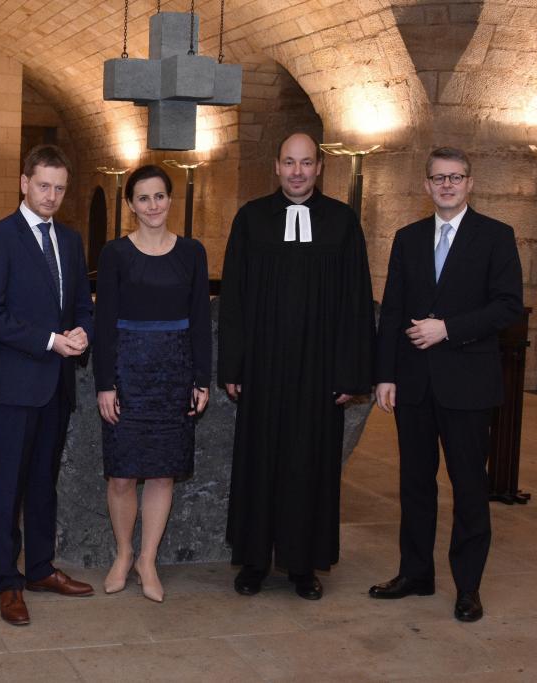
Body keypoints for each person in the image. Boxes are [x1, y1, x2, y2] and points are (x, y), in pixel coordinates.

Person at [218, 132, 375, 600]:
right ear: (277, 166)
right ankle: (253, 562)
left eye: (306, 163)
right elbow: (235, 300)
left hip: (319, 372)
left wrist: (351, 373)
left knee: (310, 466)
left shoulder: (342, 223)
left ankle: (304, 566)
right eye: (289, 162)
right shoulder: (251, 220)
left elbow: (355, 302)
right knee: (258, 463)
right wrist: (233, 364)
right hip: (262, 370)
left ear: (320, 168)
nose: (297, 172)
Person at [369, 147, 523, 622]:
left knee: (469, 487)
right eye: (439, 178)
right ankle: (416, 572)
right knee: (415, 483)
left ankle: (468, 587)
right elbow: (392, 309)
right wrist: (385, 374)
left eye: (456, 177)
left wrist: (448, 328)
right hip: (413, 384)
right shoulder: (408, 237)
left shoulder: (496, 237)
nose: (448, 185)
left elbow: (507, 306)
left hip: (468, 384)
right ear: (427, 185)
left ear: (470, 183)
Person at [0, 144, 95, 626]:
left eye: (59, 188)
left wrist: (85, 329)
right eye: (43, 185)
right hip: (16, 384)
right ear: (24, 183)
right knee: (10, 487)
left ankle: (41, 568)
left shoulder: (70, 239)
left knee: (45, 482)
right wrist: (48, 341)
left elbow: (81, 304)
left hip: (58, 386)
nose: (51, 196)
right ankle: (7, 581)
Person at [93, 165, 212, 603]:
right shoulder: (115, 254)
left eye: (160, 196)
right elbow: (104, 322)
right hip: (127, 372)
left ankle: (148, 559)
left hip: (175, 371)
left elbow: (200, 317)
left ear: (170, 199)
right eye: (143, 198)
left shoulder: (192, 252)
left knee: (163, 473)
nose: (153, 205)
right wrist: (105, 383)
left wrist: (202, 378)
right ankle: (122, 554)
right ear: (130, 205)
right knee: (122, 475)